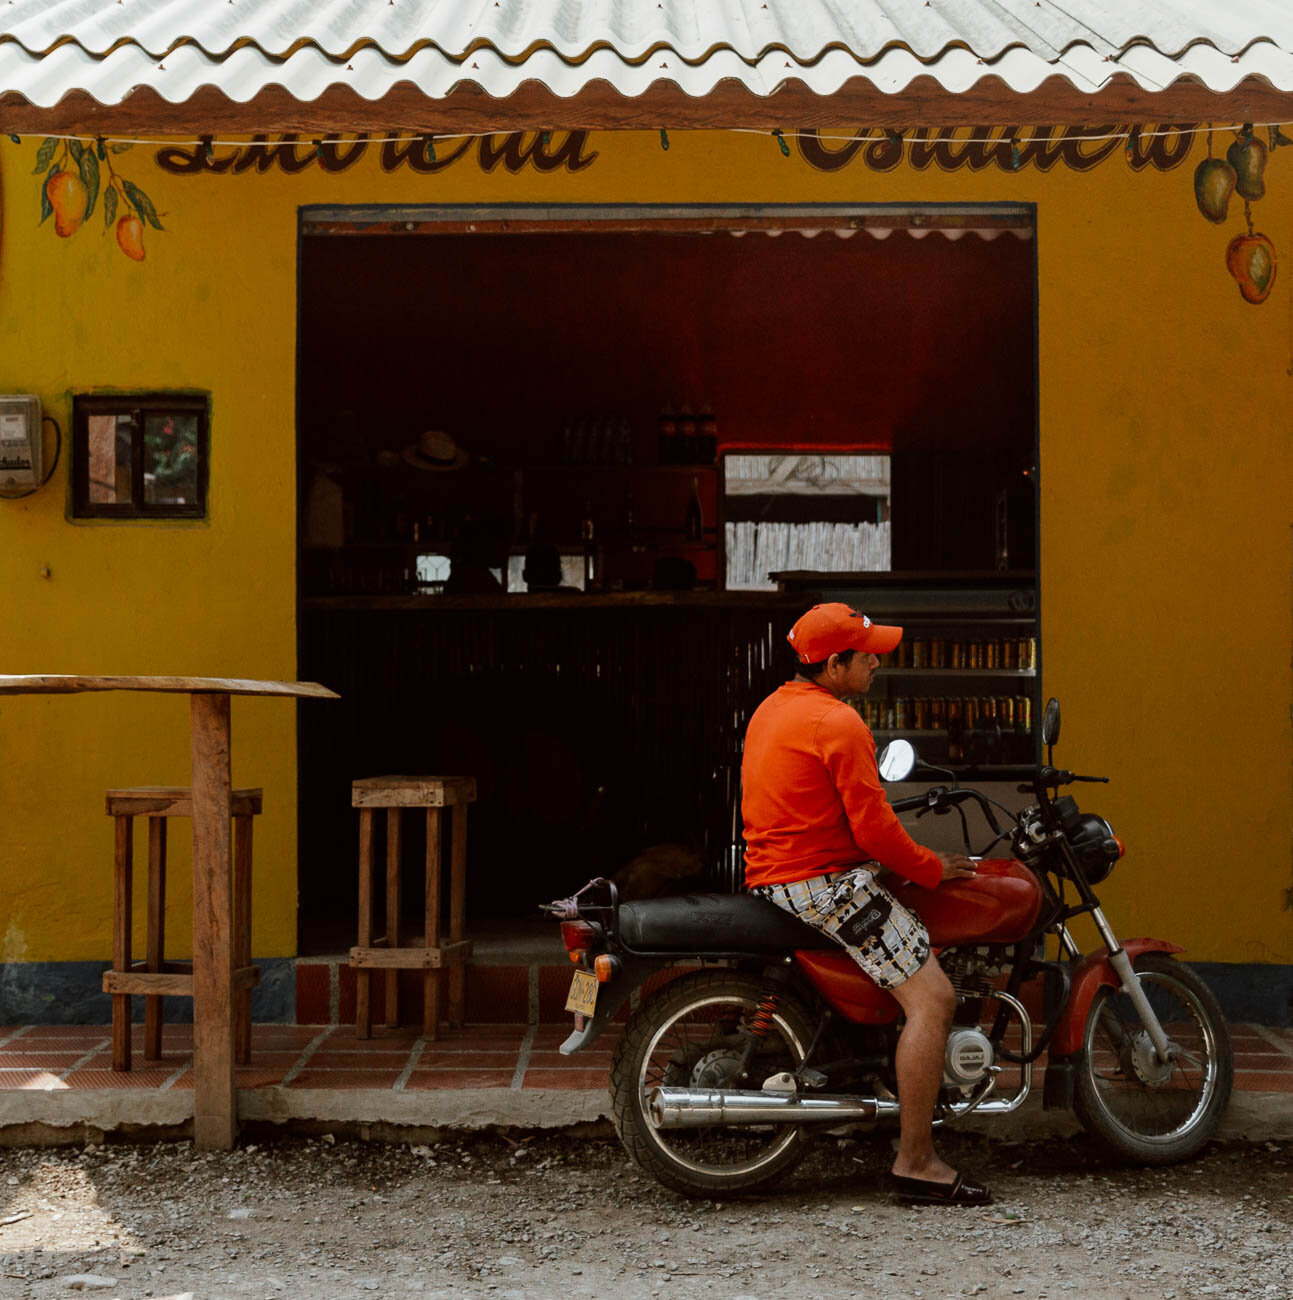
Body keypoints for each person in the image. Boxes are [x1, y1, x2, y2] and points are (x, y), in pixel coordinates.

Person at [741, 602, 991, 1206]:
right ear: (834, 665)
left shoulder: (775, 707)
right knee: (933, 999)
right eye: (866, 654)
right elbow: (876, 832)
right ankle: (916, 1162)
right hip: (820, 882)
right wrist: (932, 867)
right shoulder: (838, 723)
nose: (877, 660)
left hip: (781, 872)